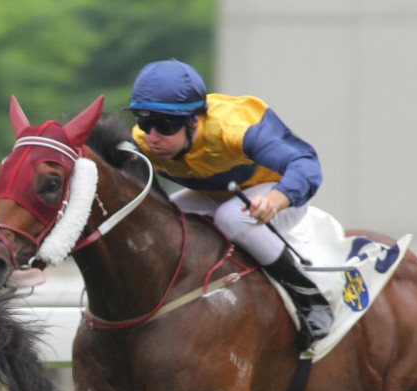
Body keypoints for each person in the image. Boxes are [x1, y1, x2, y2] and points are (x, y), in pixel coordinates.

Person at [125, 58, 332, 350]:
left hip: (276, 196)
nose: (153, 137)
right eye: (145, 122)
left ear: (193, 120)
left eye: (164, 125)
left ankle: (310, 298)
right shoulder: (142, 142)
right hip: (218, 194)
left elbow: (305, 163)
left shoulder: (234, 129)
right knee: (161, 222)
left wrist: (276, 199)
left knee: (232, 217)